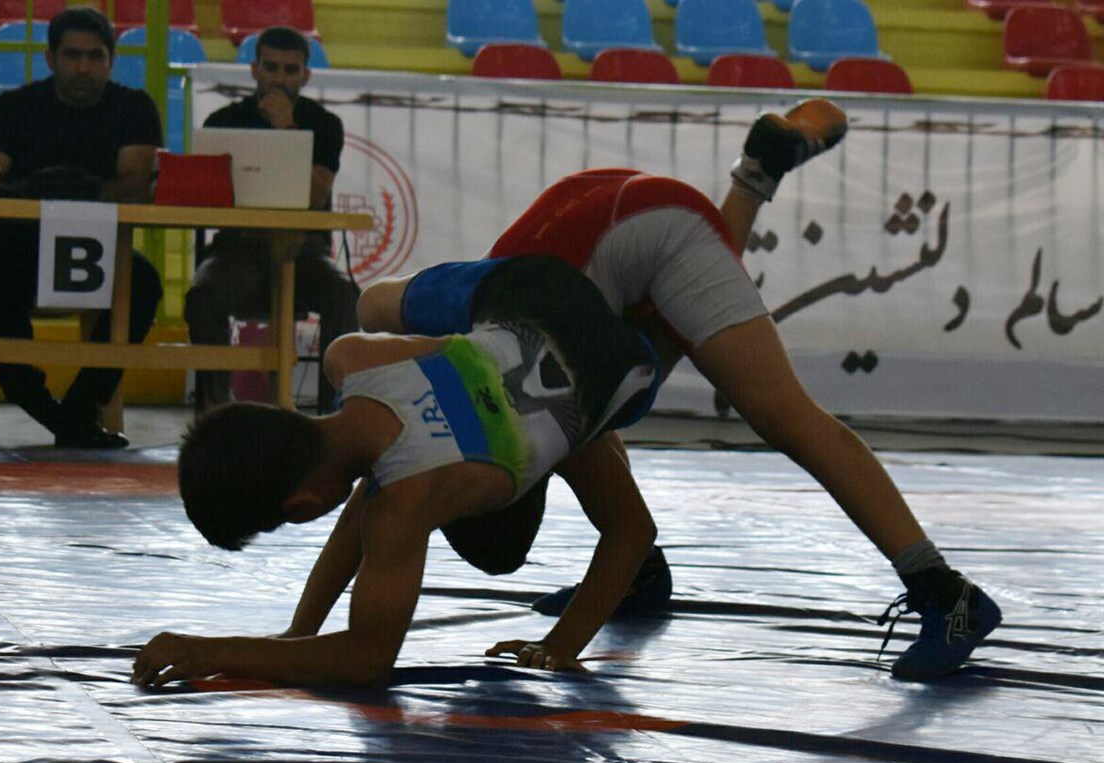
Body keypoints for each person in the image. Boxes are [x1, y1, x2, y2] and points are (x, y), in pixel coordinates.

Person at [357, 100, 1002, 682]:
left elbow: (629, 528)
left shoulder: (547, 423)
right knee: (624, 382)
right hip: (582, 212)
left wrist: (558, 646)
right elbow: (370, 305)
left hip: (648, 234)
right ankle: (753, 180)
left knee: (779, 414)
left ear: (528, 482)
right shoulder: (441, 355)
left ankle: (946, 592)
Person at [132, 254, 661, 688]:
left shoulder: (404, 506)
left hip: (618, 364)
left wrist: (209, 651)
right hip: (532, 281)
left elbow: (365, 660)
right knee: (374, 308)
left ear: (303, 506)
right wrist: (299, 632)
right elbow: (361, 488)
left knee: (527, 467)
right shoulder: (351, 358)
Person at [0, 6, 164, 449]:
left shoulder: (133, 108)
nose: (84, 67)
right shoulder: (13, 107)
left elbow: (138, 188)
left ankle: (78, 409)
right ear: (50, 58)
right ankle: (52, 411)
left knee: (145, 283)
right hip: (17, 248)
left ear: (111, 60)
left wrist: (45, 190)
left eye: (95, 56)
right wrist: (89, 191)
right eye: (73, 55)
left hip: (103, 251)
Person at [184, 26, 357, 414]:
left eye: (290, 70)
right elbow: (205, 198)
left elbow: (315, 195)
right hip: (237, 249)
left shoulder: (324, 123)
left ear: (305, 75)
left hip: (302, 249)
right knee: (202, 298)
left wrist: (287, 129)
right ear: (254, 69)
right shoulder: (223, 120)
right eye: (271, 67)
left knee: (344, 294)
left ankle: (335, 416)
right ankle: (216, 413)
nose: (279, 78)